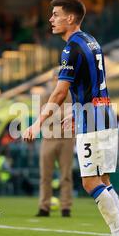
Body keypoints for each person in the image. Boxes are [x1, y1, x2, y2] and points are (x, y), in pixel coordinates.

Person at [23, 0, 119, 236]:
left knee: (89, 181)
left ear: (70, 18)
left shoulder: (71, 47)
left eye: (56, 14)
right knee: (103, 179)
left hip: (93, 117)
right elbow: (92, 81)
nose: (51, 19)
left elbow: (60, 93)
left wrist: (37, 124)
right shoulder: (92, 41)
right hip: (104, 111)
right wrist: (77, 109)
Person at [36, 73, 75, 218]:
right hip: (49, 138)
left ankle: (66, 207)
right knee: (45, 175)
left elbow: (51, 114)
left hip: (66, 138)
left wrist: (52, 114)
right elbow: (43, 116)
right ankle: (44, 207)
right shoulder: (46, 96)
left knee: (66, 175)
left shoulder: (71, 95)